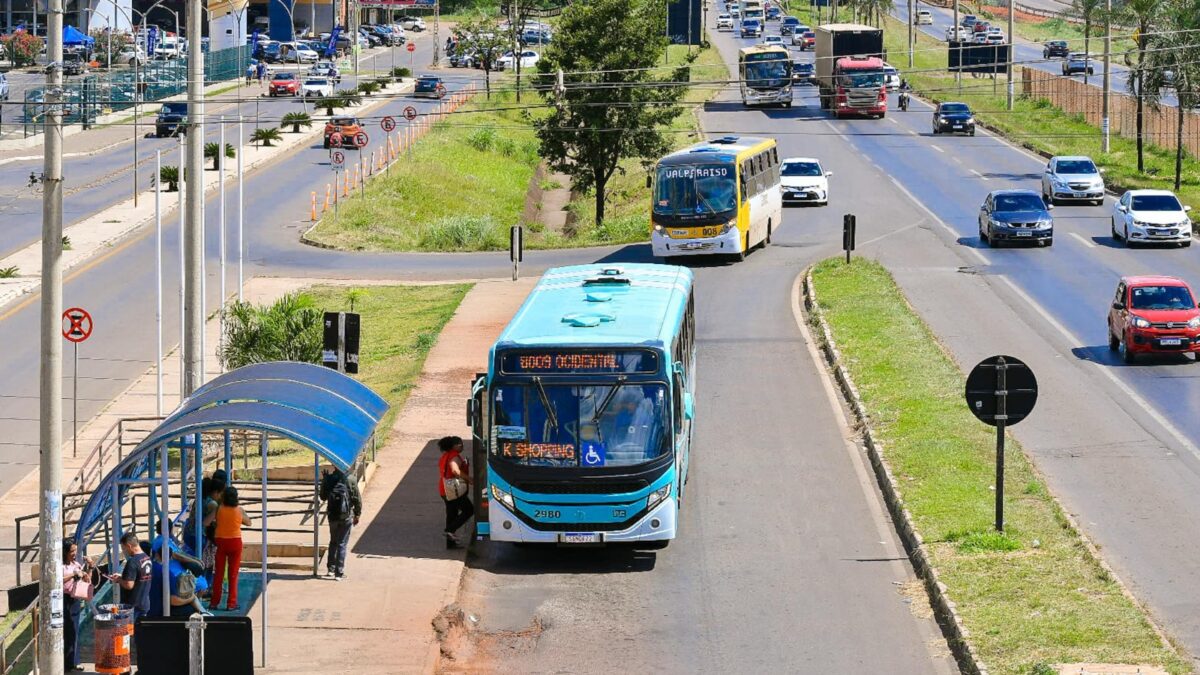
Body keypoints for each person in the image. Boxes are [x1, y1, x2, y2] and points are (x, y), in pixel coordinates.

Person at [210, 486, 251, 611]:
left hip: (221, 542)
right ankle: (231, 604)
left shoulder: (219, 509)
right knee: (233, 575)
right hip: (235, 542)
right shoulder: (239, 510)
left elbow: (209, 521)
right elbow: (248, 522)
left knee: (218, 573)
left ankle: (214, 602)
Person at [147, 541, 207, 618]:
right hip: (159, 611)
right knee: (190, 609)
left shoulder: (149, 567)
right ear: (171, 557)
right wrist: (191, 598)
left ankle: (203, 612)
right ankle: (203, 612)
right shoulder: (167, 574)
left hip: (148, 607)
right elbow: (173, 601)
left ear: (156, 554)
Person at [320, 467, 361, 579]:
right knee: (342, 543)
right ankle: (339, 572)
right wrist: (357, 514)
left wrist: (325, 480)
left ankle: (330, 570)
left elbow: (322, 497)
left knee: (333, 541)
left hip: (332, 516)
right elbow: (357, 498)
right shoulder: (351, 479)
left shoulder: (328, 478)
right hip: (346, 516)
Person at [106, 533, 152, 622]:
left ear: (129, 546)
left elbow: (129, 585)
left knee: (126, 634)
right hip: (144, 603)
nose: (124, 551)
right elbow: (139, 577)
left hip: (131, 607)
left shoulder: (132, 562)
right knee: (140, 632)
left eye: (124, 548)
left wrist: (118, 579)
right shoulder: (147, 558)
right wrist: (123, 576)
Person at [438, 436, 474, 549]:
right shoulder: (454, 456)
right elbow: (455, 470)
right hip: (454, 490)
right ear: (454, 446)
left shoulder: (445, 456)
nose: (462, 446)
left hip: (444, 488)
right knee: (469, 510)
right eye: (460, 444)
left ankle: (450, 543)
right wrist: (469, 479)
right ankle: (449, 530)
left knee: (451, 514)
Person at [61, 539, 91, 672]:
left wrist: (89, 568)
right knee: (67, 631)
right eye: (72, 551)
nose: (74, 553)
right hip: (64, 599)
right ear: (65, 552)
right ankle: (67, 662)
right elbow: (57, 580)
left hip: (75, 600)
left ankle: (74, 660)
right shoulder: (61, 566)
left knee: (74, 630)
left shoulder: (76, 564)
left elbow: (87, 580)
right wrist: (73, 575)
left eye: (75, 550)